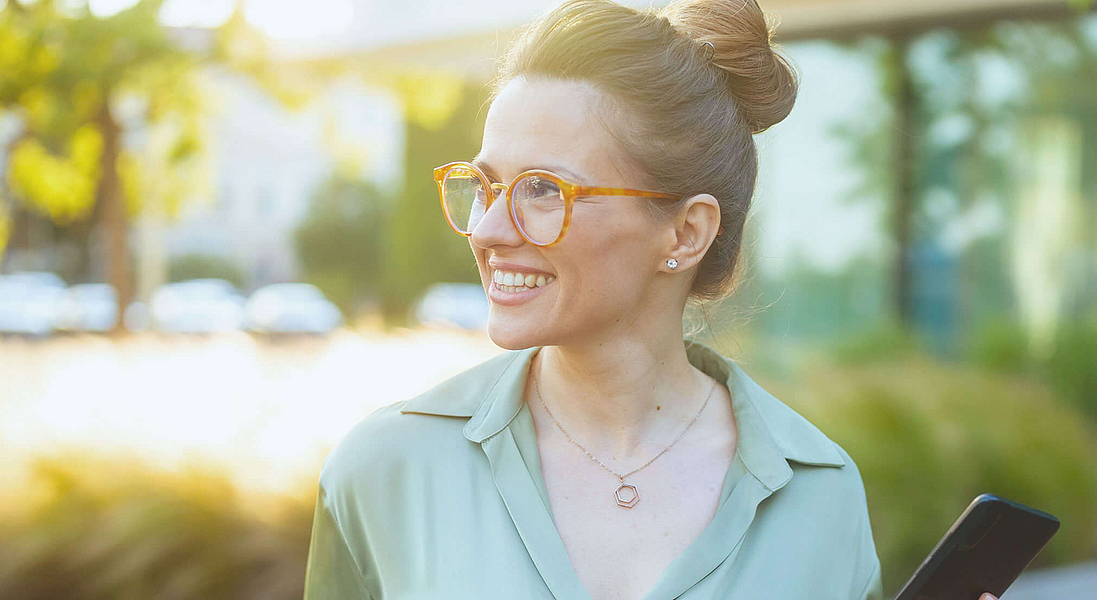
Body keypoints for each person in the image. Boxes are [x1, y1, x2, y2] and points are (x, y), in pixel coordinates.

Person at [303, 0, 1002, 598]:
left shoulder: (818, 494)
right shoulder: (383, 472)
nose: (487, 229)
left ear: (686, 230)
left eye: (543, 189)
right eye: (484, 185)